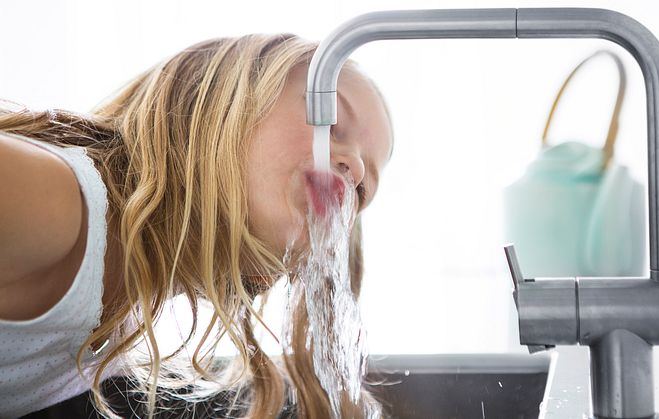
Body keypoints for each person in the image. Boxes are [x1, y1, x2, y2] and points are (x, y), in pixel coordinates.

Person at [0, 33, 393, 419]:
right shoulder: (62, 204)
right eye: (331, 121)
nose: (354, 169)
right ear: (217, 105)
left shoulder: (130, 304)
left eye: (361, 192)